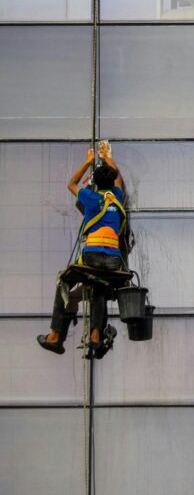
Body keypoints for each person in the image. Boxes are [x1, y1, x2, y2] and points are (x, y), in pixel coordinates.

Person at [37, 144, 127, 356]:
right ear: (112, 181)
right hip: (114, 261)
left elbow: (71, 184)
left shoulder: (90, 197)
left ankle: (55, 336)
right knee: (98, 287)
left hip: (92, 258)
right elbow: (119, 179)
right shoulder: (116, 197)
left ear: (95, 183)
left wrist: (88, 162)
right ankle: (95, 336)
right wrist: (107, 158)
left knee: (64, 283)